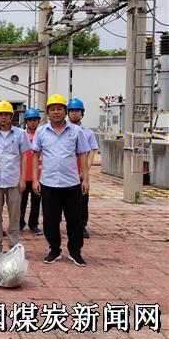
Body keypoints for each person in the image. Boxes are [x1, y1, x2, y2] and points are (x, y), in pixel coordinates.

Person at [32, 94, 91, 267]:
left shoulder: (76, 131)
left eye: (59, 109)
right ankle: (54, 249)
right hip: (48, 183)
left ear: (65, 111)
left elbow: (82, 155)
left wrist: (86, 179)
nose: (56, 112)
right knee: (50, 220)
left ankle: (75, 251)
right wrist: (35, 179)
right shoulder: (41, 131)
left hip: (71, 183)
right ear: (47, 113)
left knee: (75, 220)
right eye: (52, 109)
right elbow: (35, 156)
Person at [0, 101, 31, 255]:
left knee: (14, 215)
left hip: (14, 181)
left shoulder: (20, 134)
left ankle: (13, 245)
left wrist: (23, 179)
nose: (4, 117)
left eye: (6, 114)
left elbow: (24, 157)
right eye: (1, 114)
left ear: (12, 116)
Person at [67, 98, 98, 239]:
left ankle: (82, 226)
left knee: (82, 201)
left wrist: (85, 171)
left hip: (80, 174)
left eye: (77, 111)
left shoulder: (88, 133)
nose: (74, 113)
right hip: (67, 172)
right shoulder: (63, 130)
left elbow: (91, 151)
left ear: (82, 113)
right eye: (72, 111)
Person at [20, 108, 43, 236]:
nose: (32, 122)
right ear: (26, 122)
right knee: (21, 202)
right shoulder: (21, 135)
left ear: (38, 121)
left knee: (36, 202)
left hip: (38, 177)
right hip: (23, 175)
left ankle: (33, 224)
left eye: (35, 120)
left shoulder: (42, 135)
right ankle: (20, 223)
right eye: (30, 120)